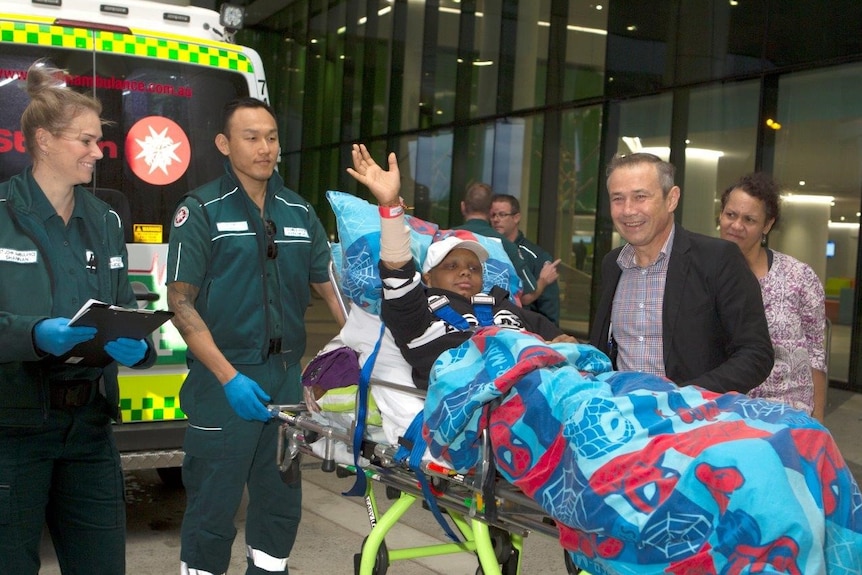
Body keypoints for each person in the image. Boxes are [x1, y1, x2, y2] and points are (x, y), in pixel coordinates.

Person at [166, 97, 345, 575]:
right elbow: (179, 303)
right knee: (212, 507)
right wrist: (228, 378)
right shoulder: (200, 209)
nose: (265, 148)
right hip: (224, 383)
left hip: (287, 382)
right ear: (225, 144)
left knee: (280, 503)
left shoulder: (298, 212)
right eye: (252, 137)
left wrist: (361, 350)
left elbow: (332, 292)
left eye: (271, 137)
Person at [0, 60, 156, 575]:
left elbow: (124, 304)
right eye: (85, 141)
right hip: (14, 425)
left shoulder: (105, 219)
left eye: (98, 141)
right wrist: (33, 333)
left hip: (89, 426)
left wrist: (139, 343)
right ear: (43, 140)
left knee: (101, 565)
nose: (98, 151)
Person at [346, 144, 574, 389]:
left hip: (549, 382)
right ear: (429, 277)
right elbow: (398, 276)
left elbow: (563, 341)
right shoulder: (418, 313)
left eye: (474, 268)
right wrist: (390, 205)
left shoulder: (504, 306)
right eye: (451, 266)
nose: (465, 271)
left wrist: (566, 342)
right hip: (487, 400)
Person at [588, 152, 773, 394]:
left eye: (640, 197)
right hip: (623, 419)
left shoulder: (717, 259)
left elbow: (756, 354)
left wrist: (683, 398)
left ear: (671, 199)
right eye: (618, 199)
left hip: (693, 421)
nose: (628, 210)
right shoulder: (613, 265)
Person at [718, 172, 827, 420]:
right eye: (730, 215)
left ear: (767, 225)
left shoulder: (799, 277)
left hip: (789, 415)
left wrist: (818, 416)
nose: (736, 226)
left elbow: (816, 354)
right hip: (726, 414)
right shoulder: (702, 275)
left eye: (749, 219)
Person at [454, 182, 542, 306]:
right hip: (492, 318)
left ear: (463, 207)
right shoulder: (505, 244)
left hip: (448, 312)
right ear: (491, 211)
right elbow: (526, 295)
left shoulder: (444, 238)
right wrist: (543, 280)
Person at [491, 193, 562, 325]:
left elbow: (549, 307)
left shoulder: (536, 256)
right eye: (493, 215)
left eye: (502, 214)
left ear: (516, 217)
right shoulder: (487, 249)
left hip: (527, 331)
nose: (496, 219)